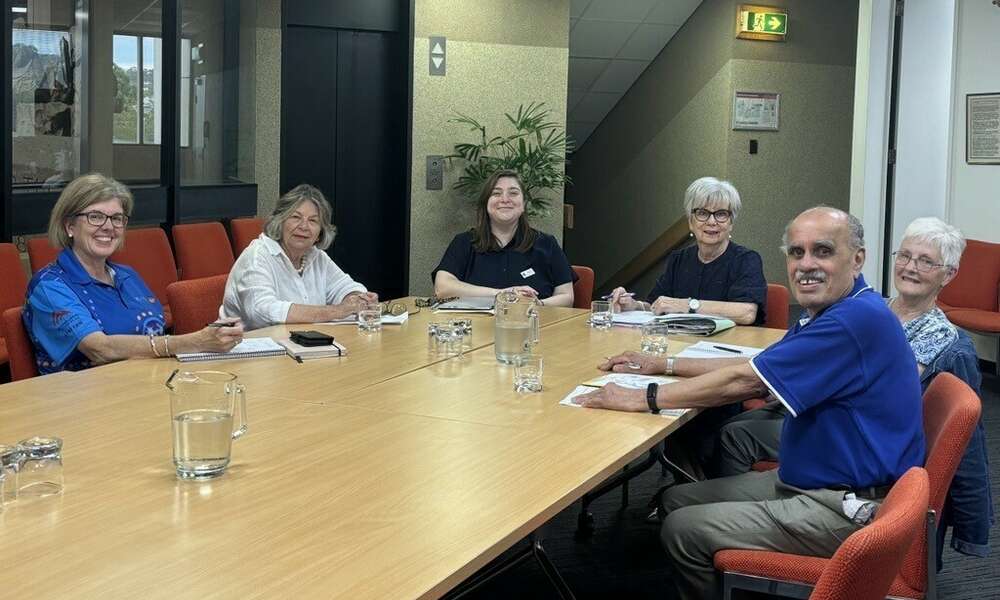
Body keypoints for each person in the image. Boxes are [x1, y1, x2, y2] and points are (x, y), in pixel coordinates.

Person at [576, 207, 925, 600]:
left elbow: (745, 382)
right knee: (675, 499)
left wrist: (644, 397)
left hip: (848, 506)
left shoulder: (852, 321)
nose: (806, 265)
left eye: (822, 251)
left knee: (682, 529)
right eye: (796, 253)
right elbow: (758, 365)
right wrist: (664, 363)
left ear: (857, 258)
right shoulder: (838, 309)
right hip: (815, 477)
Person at [714, 216, 993, 561]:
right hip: (825, 416)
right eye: (904, 256)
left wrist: (969, 531)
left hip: (869, 447)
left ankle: (750, 531)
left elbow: (967, 443)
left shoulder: (950, 346)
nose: (910, 267)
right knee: (735, 430)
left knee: (742, 428)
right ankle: (743, 523)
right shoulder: (865, 306)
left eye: (925, 261)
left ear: (948, 275)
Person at [23, 173, 244, 375]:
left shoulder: (126, 275)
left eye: (117, 218)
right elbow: (100, 349)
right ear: (69, 226)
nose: (109, 227)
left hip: (145, 383)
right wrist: (194, 342)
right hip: (83, 405)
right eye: (96, 217)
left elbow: (155, 333)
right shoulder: (49, 286)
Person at [610, 176, 766, 325]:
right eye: (703, 213)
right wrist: (632, 305)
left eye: (721, 214)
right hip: (680, 342)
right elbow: (656, 304)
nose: (712, 222)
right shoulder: (679, 259)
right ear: (690, 222)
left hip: (727, 346)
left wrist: (687, 305)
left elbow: (747, 313)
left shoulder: (746, 259)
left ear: (731, 223)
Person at [221, 184, 377, 331]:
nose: (303, 226)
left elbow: (346, 287)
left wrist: (358, 300)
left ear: (320, 233)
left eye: (313, 221)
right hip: (253, 351)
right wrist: (337, 311)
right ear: (280, 222)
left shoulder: (317, 257)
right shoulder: (256, 257)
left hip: (304, 345)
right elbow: (262, 312)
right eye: (296, 217)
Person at [432, 169, 575, 307]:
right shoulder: (464, 242)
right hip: (474, 328)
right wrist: (503, 294)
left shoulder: (546, 244)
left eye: (513, 193)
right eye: (496, 193)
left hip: (534, 326)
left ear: (524, 204)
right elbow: (443, 288)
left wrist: (538, 304)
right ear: (486, 203)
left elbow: (567, 296)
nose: (505, 199)